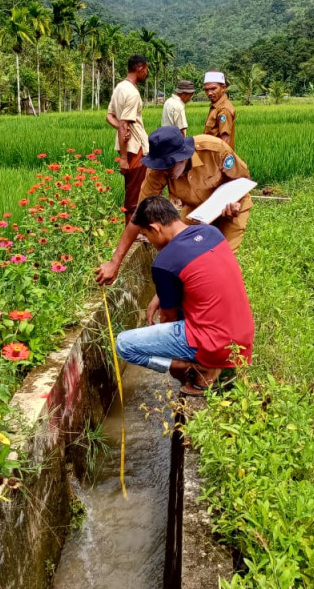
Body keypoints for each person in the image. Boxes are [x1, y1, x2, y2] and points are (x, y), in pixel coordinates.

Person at [115, 196, 254, 394]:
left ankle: (191, 367)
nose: (150, 241)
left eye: (146, 235)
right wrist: (160, 294)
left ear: (155, 228)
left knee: (124, 345)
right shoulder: (210, 232)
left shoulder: (164, 261)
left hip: (215, 344)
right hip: (241, 338)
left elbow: (167, 318)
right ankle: (208, 365)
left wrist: (169, 355)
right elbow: (195, 276)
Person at [95, 126, 252, 285]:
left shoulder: (214, 150)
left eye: (168, 166)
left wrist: (235, 203)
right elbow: (140, 214)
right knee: (185, 252)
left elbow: (243, 179)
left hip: (232, 208)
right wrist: (115, 262)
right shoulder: (158, 171)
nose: (164, 172)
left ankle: (225, 294)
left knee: (224, 259)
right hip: (197, 211)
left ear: (182, 157)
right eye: (160, 167)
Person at [106, 55, 150, 221]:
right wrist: (124, 158)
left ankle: (134, 229)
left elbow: (110, 116)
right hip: (134, 147)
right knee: (135, 192)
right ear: (140, 68)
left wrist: (120, 127)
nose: (146, 73)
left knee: (132, 187)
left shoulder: (120, 87)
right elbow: (124, 122)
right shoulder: (132, 93)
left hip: (126, 145)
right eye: (146, 69)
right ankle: (132, 231)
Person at [202, 71, 236, 151]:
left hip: (218, 158)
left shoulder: (223, 110)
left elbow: (225, 140)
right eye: (206, 90)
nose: (209, 93)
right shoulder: (215, 106)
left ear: (223, 88)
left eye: (213, 88)